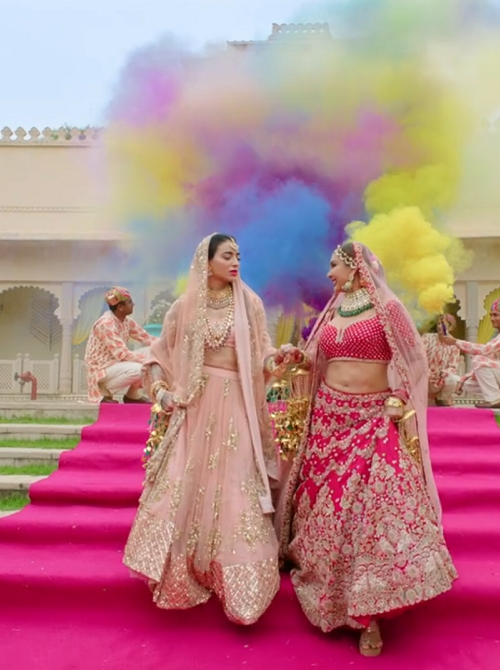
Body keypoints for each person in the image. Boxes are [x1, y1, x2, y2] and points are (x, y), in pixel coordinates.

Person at [276, 241, 457, 657]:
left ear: (356, 268)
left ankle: (369, 614)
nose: (328, 274)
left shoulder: (387, 310)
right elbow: (314, 361)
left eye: (334, 265)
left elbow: (413, 360)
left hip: (372, 421)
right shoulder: (333, 311)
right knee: (327, 514)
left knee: (372, 511)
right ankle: (332, 593)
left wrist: (397, 396)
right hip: (327, 421)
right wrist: (294, 358)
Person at [123, 233, 294, 625]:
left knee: (235, 486)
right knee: (186, 483)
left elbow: (263, 352)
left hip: (237, 406)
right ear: (207, 260)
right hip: (195, 408)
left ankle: (240, 586)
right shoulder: (185, 307)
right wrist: (163, 393)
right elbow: (159, 355)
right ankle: (183, 573)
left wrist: (277, 359)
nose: (236, 262)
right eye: (228, 255)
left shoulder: (249, 304)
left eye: (239, 256)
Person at [440, 298, 500, 409]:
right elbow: (488, 357)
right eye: (491, 315)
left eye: (496, 315)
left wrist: (456, 342)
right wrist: (463, 379)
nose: (492, 319)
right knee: (466, 384)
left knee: (479, 359)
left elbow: (485, 350)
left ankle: (496, 401)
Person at [83, 287, 156, 404]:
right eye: (130, 302)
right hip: (102, 369)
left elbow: (147, 338)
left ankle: (132, 396)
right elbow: (122, 353)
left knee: (153, 351)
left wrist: (169, 345)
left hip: (115, 364)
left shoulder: (127, 321)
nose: (133, 304)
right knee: (142, 368)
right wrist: (148, 361)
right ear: (120, 307)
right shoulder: (106, 323)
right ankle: (103, 391)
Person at [422, 313, 462, 406]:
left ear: (451, 327)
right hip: (426, 377)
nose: (440, 326)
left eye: (443, 324)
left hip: (441, 379)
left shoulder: (454, 345)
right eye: (438, 323)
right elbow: (420, 358)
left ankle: (441, 399)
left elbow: (453, 367)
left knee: (454, 379)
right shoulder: (427, 337)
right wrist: (428, 372)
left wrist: (443, 373)